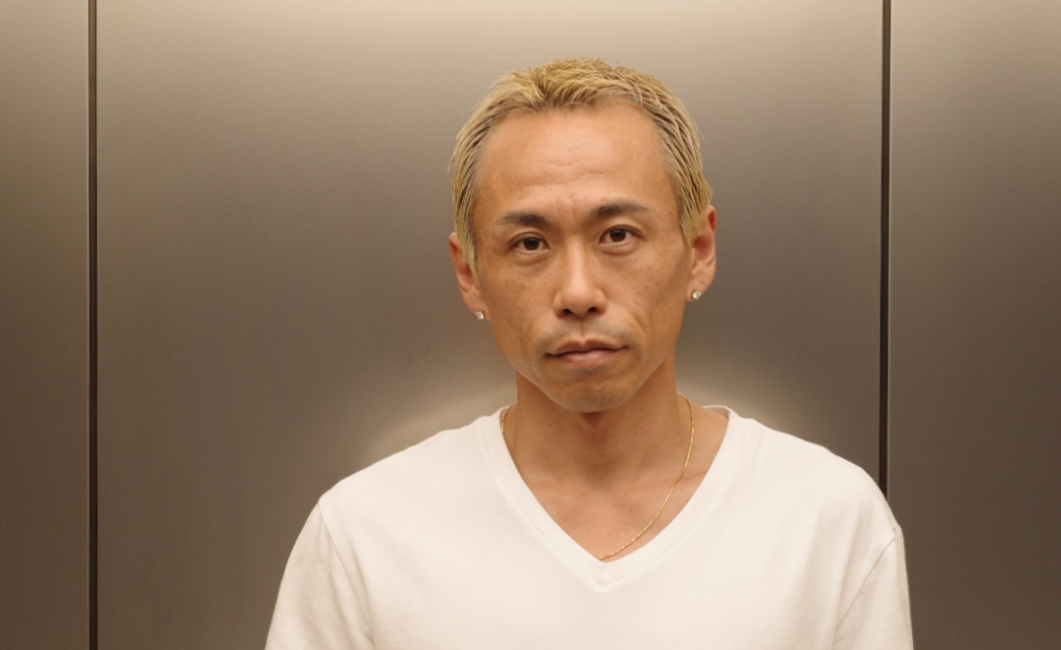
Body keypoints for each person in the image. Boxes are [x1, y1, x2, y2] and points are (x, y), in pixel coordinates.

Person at [266, 57, 912, 649]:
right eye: (529, 243)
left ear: (698, 251)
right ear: (469, 274)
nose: (578, 293)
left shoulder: (825, 519)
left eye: (618, 234)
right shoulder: (366, 535)